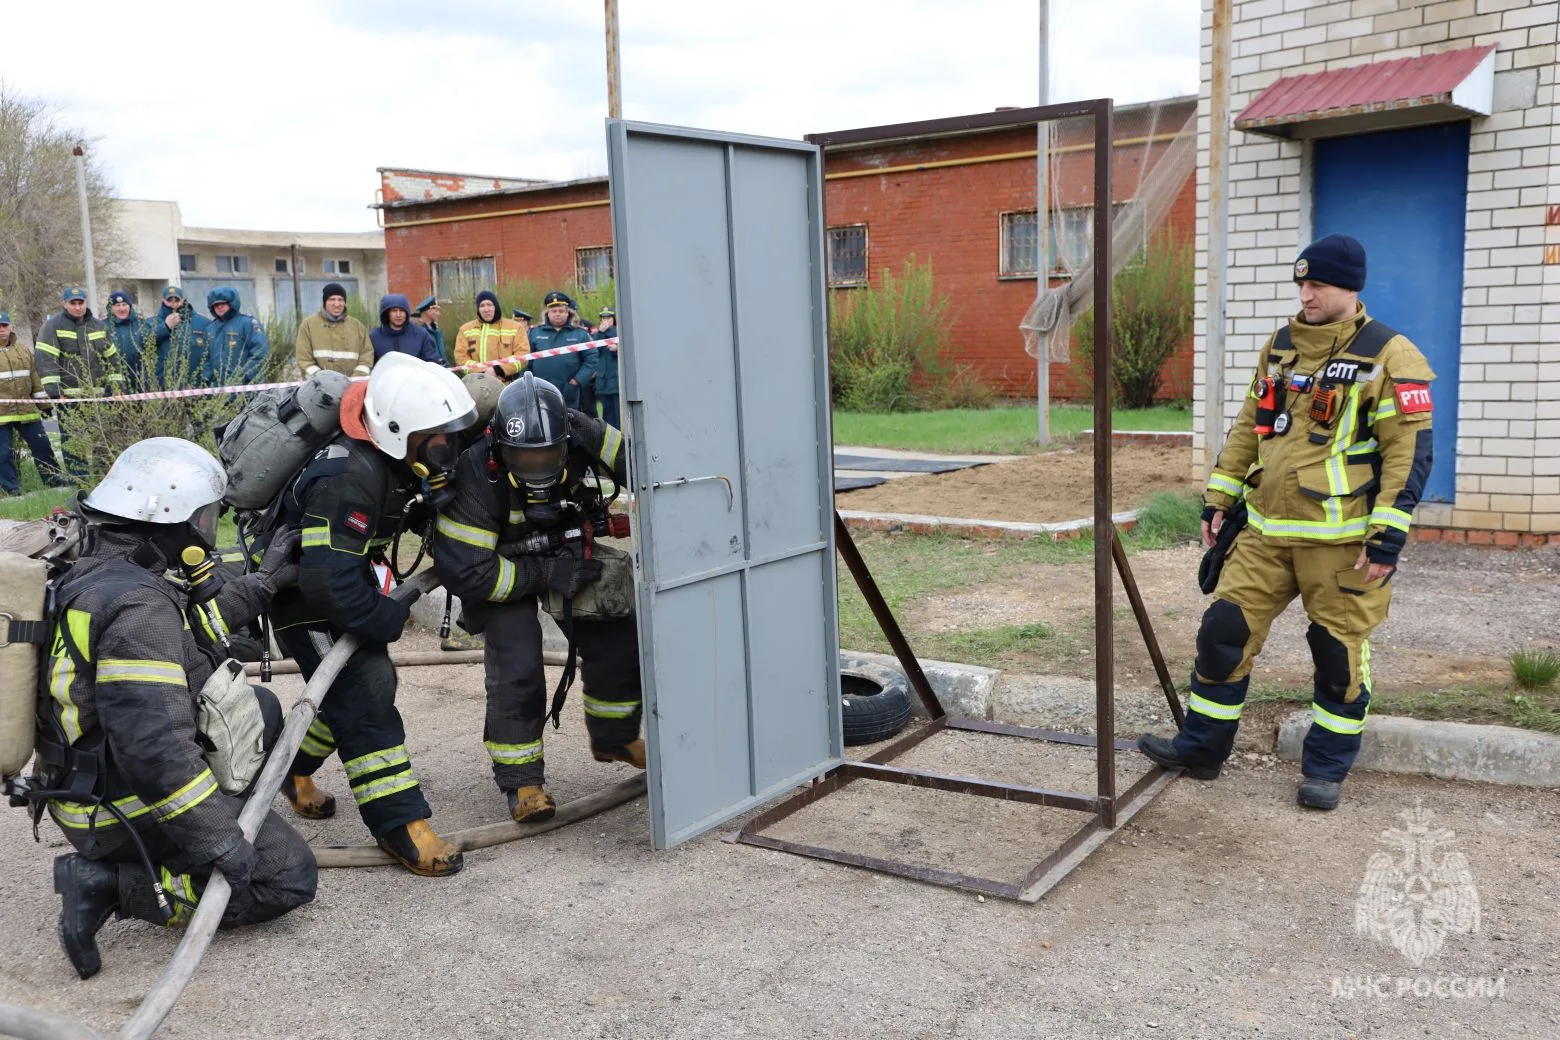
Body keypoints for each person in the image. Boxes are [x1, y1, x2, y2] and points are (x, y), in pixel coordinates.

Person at [1138, 234, 1435, 811]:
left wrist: (1387, 536)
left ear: (1350, 287)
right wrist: (1219, 497)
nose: (1306, 295)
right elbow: (1250, 424)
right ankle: (1202, 750)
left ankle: (1325, 770)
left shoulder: (1392, 355)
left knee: (1337, 656)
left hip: (1341, 544)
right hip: (1264, 533)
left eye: (1317, 284)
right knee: (1222, 636)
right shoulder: (1280, 346)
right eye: (1302, 284)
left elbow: (1409, 453)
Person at [37, 438, 316, 980]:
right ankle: (109, 884)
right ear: (170, 520)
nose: (206, 531)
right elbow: (155, 752)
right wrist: (220, 840)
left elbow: (197, 632)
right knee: (286, 877)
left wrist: (264, 583)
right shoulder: (137, 606)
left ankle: (188, 834)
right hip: (117, 808)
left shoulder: (104, 572)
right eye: (204, 517)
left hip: (83, 781)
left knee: (260, 708)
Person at [264, 352, 476, 875]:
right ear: (397, 433)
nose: (446, 451)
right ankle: (399, 826)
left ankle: (291, 768)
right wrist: (386, 618)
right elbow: (324, 581)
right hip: (303, 598)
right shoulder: (349, 476)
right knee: (364, 690)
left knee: (357, 691)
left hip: (341, 581)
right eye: (436, 442)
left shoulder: (388, 458)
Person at [432, 372, 642, 823]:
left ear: (565, 440)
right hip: (496, 567)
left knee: (617, 625)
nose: (537, 467)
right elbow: (469, 573)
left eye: (548, 455)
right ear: (498, 447)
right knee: (518, 656)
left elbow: (640, 463)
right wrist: (545, 573)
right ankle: (522, 782)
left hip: (562, 548)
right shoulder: (473, 473)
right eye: (524, 458)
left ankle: (614, 737)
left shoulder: (581, 429)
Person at [0, 311, 65, 492]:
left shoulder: (23, 350)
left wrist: (44, 405)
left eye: (4, 325)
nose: (1, 329)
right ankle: (12, 488)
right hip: (1, 414)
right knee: (3, 453)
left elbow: (34, 380)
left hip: (26, 410)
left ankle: (53, 480)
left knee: (42, 445)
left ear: (10, 327)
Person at [35, 285, 124, 402]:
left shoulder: (99, 326)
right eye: (73, 303)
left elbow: (113, 360)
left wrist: (117, 387)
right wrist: (55, 393)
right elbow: (46, 361)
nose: (77, 307)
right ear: (64, 304)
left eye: (80, 303)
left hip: (98, 396)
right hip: (67, 398)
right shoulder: (52, 326)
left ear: (86, 303)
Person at [526, 290, 596, 411]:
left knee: (569, 421)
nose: (557, 314)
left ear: (568, 313)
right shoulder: (534, 333)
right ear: (547, 313)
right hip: (539, 391)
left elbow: (592, 360)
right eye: (553, 311)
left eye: (561, 311)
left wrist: (577, 381)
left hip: (569, 393)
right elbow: (525, 361)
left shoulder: (580, 334)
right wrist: (528, 383)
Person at [295, 282, 372, 378]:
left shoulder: (357, 326)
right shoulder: (308, 325)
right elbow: (304, 359)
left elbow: (366, 356)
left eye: (341, 300)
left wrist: (356, 378)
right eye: (332, 299)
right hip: (319, 385)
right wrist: (323, 379)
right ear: (325, 302)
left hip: (352, 384)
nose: (337, 304)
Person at [202, 287, 269, 387]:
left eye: (223, 303)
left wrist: (244, 377)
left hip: (246, 387)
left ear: (231, 303)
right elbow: (205, 358)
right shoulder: (210, 328)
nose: (219, 307)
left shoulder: (248, 323)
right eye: (216, 304)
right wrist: (209, 378)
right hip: (217, 389)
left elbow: (260, 353)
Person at [453, 290, 527, 378]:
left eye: (489, 304)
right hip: (477, 382)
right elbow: (460, 357)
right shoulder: (465, 329)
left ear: (496, 306)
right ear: (478, 309)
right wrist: (481, 371)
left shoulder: (515, 327)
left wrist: (498, 370)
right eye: (482, 305)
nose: (486, 309)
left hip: (507, 383)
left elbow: (523, 356)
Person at [150, 286, 210, 388]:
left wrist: (206, 378)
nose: (173, 304)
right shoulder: (152, 322)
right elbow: (144, 344)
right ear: (163, 301)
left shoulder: (202, 322)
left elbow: (210, 353)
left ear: (183, 300)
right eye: (169, 300)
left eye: (177, 300)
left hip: (196, 385)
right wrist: (166, 327)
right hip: (164, 385)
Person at [369, 293, 444, 364]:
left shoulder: (421, 335)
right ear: (387, 313)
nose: (398, 315)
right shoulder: (374, 337)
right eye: (394, 311)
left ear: (406, 312)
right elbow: (370, 364)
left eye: (402, 311)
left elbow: (432, 362)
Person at [104, 290, 151, 386]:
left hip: (141, 380)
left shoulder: (142, 325)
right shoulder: (103, 326)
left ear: (129, 306)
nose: (122, 309)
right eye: (117, 305)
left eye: (124, 304)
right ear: (110, 308)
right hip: (114, 382)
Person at [590, 307, 622, 427]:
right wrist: (600, 333)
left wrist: (617, 349)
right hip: (602, 381)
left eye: (609, 317)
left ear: (614, 319)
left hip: (616, 381)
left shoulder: (619, 332)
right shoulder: (597, 335)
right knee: (607, 415)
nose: (606, 320)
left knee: (619, 415)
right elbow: (592, 351)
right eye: (603, 318)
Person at [414, 295, 446, 363]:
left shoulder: (437, 331)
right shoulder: (418, 332)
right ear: (429, 311)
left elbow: (443, 356)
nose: (439, 314)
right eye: (436, 311)